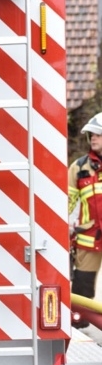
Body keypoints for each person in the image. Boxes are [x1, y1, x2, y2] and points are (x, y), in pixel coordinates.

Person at [68, 112, 102, 324]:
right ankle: (78, 327)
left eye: (98, 134)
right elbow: (65, 202)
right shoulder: (79, 168)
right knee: (82, 290)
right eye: (92, 135)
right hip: (89, 239)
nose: (93, 138)